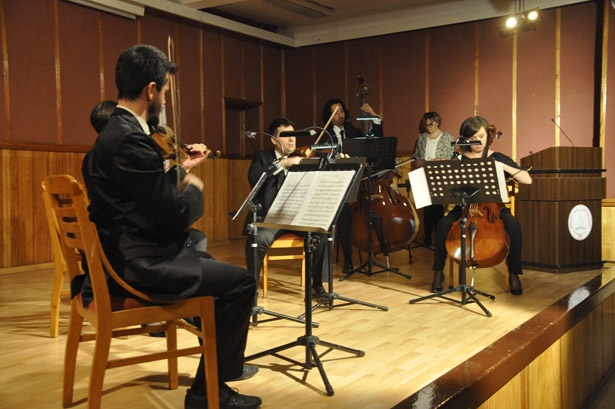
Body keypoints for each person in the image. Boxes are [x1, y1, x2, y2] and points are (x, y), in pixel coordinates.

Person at [81, 45, 261, 409]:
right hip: (139, 265)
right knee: (241, 283)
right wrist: (193, 187)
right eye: (164, 90)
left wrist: (179, 173)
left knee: (208, 261)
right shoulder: (130, 140)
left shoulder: (113, 135)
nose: (164, 98)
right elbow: (175, 215)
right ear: (151, 90)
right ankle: (209, 392)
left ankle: (217, 371)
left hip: (122, 256)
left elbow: (144, 198)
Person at [430, 116, 531, 296]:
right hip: (465, 208)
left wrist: (501, 166)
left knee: (514, 226)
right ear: (466, 139)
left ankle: (514, 272)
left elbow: (527, 179)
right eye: (473, 138)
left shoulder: (497, 157)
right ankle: (438, 272)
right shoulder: (459, 159)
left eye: (482, 136)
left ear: (488, 136)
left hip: (494, 209)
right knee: (444, 224)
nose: (479, 141)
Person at [244, 117, 329, 298]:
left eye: (294, 135)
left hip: (297, 217)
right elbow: (254, 177)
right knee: (258, 239)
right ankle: (251, 287)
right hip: (270, 219)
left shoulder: (303, 158)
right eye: (286, 135)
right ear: (274, 140)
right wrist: (282, 164)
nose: (292, 139)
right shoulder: (262, 157)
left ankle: (317, 284)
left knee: (324, 231)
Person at [321, 99, 384, 274]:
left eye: (341, 111)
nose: (340, 115)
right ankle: (348, 258)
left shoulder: (352, 130)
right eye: (335, 112)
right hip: (335, 183)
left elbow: (374, 139)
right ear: (329, 116)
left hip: (357, 180)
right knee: (345, 214)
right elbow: (322, 159)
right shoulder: (324, 135)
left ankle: (377, 248)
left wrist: (374, 116)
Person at [412, 112, 456, 245]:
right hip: (424, 175)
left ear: (437, 122)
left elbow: (452, 158)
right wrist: (418, 161)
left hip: (440, 176)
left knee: (438, 206)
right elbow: (416, 156)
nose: (428, 127)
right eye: (426, 125)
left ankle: (439, 236)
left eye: (430, 124)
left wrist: (441, 160)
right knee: (427, 207)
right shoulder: (422, 138)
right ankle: (427, 237)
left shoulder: (448, 137)